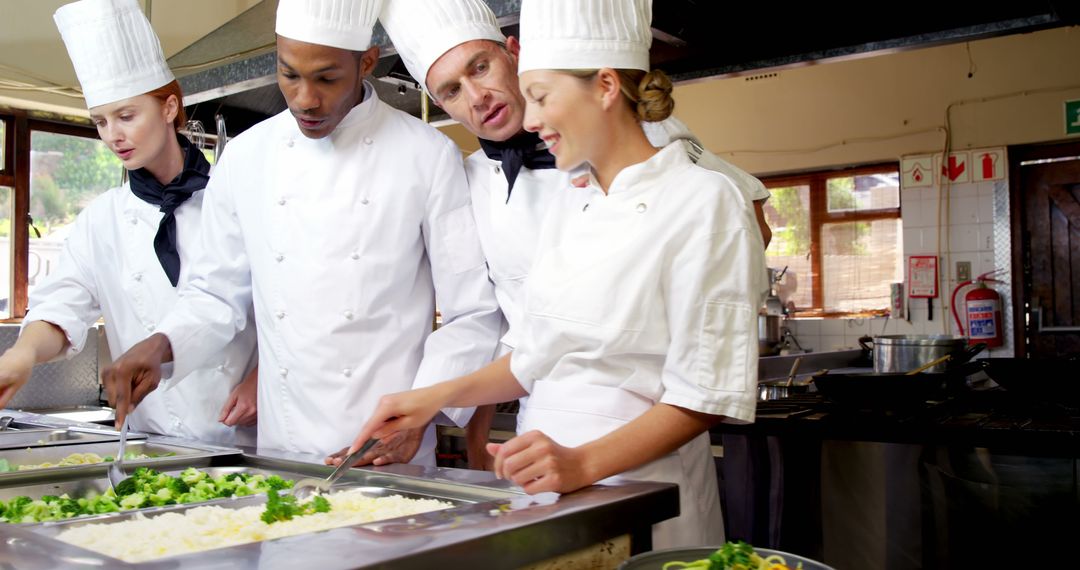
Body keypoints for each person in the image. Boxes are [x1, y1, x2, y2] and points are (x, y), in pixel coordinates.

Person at [343, 0, 766, 548]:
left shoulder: (700, 194)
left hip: (643, 484)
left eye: (540, 96)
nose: (530, 116)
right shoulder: (585, 198)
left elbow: (704, 393)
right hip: (542, 476)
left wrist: (580, 462)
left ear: (607, 87)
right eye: (449, 91)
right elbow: (536, 354)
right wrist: (426, 401)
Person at [100, 0, 502, 464]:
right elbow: (214, 292)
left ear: (366, 63)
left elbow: (470, 312)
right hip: (280, 448)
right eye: (289, 75)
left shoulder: (427, 154)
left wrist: (422, 413)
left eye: (327, 78)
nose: (305, 99)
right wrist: (161, 343)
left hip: (392, 450)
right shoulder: (247, 156)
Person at [0, 0, 258, 444]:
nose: (112, 135)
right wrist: (22, 354)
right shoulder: (101, 220)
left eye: (126, 116)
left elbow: (287, 308)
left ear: (169, 107)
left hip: (248, 437)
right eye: (100, 121)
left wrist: (265, 380)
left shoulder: (240, 200)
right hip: (150, 443)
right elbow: (63, 306)